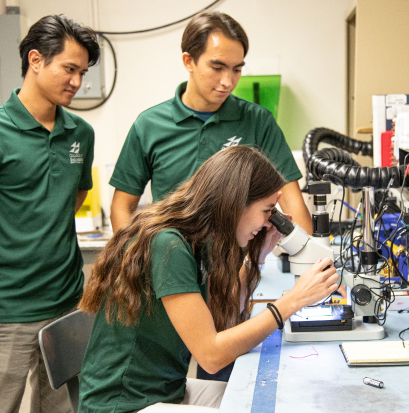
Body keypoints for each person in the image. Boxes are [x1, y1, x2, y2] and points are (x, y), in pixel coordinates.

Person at [78, 146, 338, 412]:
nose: (266, 223)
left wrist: (256, 258)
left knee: (268, 398)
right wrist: (292, 302)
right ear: (237, 202)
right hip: (123, 405)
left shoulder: (197, 240)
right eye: (266, 210)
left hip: (166, 390)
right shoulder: (168, 245)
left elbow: (221, 322)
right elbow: (212, 357)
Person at [109, 11, 312, 235]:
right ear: (189, 61)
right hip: (169, 261)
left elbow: (291, 201)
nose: (227, 81)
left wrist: (308, 258)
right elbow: (122, 206)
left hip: (239, 265)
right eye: (217, 68)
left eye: (237, 69)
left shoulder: (258, 121)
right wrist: (131, 262)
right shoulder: (149, 125)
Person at [0, 15, 100, 413]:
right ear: (36, 60)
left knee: (63, 409)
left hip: (65, 305)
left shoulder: (81, 133)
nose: (77, 81)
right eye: (69, 69)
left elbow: (71, 199)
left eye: (83, 72)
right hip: (8, 310)